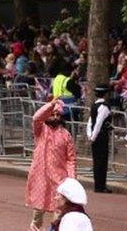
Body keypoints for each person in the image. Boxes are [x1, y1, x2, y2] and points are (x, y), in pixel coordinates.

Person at [26, 99, 76, 228]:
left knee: (59, 215)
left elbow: (71, 159)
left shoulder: (66, 135)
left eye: (58, 115)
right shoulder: (40, 129)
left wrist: (72, 180)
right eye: (52, 114)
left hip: (59, 179)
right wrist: (51, 104)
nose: (55, 117)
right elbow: (36, 118)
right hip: (40, 177)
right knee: (37, 214)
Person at [28, 178, 92, 231]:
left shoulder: (71, 218)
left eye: (58, 195)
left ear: (66, 199)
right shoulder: (75, 215)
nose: (55, 198)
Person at [86, 84, 112, 193]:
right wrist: (94, 136)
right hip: (101, 137)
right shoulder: (104, 107)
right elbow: (98, 123)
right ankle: (101, 186)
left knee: (96, 161)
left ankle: (98, 184)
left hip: (94, 136)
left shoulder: (94, 106)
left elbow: (90, 122)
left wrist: (90, 135)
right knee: (102, 161)